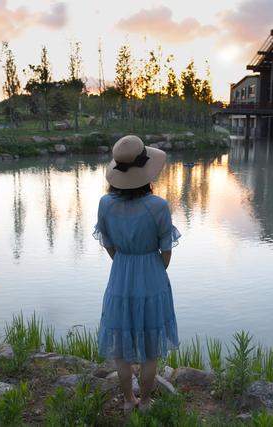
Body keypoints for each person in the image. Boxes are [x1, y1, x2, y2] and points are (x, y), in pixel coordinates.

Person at [93, 135, 180, 412]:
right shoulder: (158, 207)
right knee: (151, 349)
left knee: (121, 347)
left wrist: (123, 262)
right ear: (147, 172)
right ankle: (145, 401)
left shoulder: (105, 204)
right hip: (152, 275)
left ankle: (128, 401)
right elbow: (166, 251)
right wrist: (152, 268)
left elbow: (108, 243)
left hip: (120, 274)